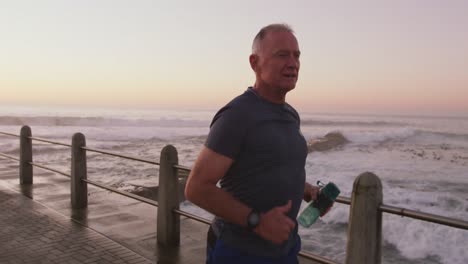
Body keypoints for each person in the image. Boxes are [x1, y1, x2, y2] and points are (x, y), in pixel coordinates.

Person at [185, 23, 324, 264]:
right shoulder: (237, 114)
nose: (293, 63)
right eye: (282, 55)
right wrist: (257, 221)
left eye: (296, 55)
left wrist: (307, 189)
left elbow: (273, 165)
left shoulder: (291, 115)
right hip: (239, 251)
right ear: (254, 63)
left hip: (286, 248)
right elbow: (196, 188)